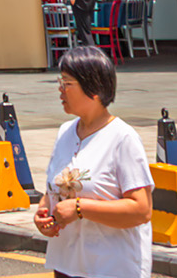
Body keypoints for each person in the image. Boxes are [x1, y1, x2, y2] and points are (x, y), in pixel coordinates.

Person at [35, 48, 152, 277]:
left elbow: (141, 209)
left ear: (94, 89)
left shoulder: (122, 138)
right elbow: (57, 185)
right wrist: (43, 210)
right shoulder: (65, 132)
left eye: (67, 83)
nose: (60, 89)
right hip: (67, 265)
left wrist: (80, 208)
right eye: (60, 81)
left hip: (111, 268)